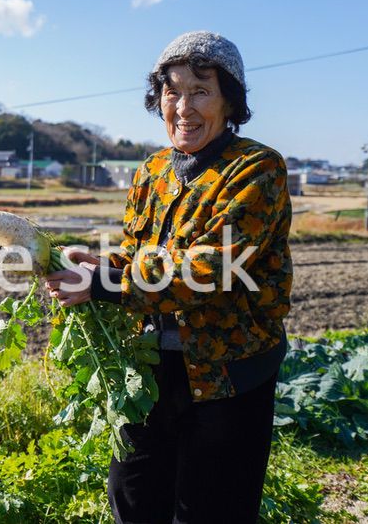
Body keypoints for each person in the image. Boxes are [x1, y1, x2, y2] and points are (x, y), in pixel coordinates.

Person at [44, 31, 293, 524]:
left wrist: (101, 286)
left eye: (201, 91)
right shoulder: (152, 171)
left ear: (230, 102)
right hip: (149, 369)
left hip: (227, 376)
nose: (184, 107)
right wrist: (100, 265)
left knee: (210, 510)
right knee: (133, 498)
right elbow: (143, 257)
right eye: (172, 90)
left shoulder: (256, 169)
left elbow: (210, 269)